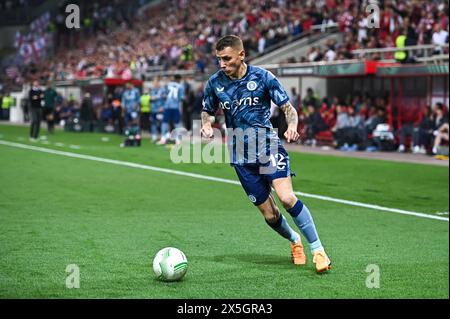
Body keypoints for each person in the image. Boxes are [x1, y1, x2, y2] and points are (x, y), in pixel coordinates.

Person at [200, 35, 331, 273]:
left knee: (287, 197)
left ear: (241, 55)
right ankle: (295, 241)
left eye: (226, 58)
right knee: (270, 215)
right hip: (240, 155)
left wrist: (291, 126)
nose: (222, 64)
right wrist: (207, 124)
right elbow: (207, 110)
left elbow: (287, 108)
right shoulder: (214, 83)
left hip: (268, 145)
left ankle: (319, 250)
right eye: (219, 59)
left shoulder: (263, 77)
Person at [157, 74, 185, 145]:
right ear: (179, 79)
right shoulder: (181, 86)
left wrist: (164, 102)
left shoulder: (167, 85)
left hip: (167, 106)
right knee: (177, 123)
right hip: (175, 107)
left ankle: (163, 139)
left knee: (165, 122)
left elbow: (161, 95)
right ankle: (178, 140)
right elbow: (181, 98)